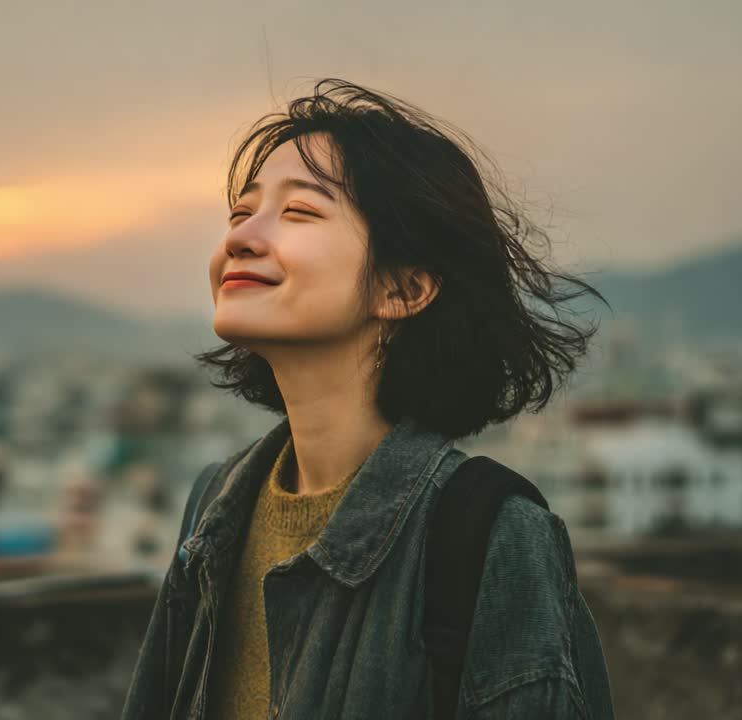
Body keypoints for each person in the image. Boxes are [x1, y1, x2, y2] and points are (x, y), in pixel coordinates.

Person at [119, 78, 615, 719]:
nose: (241, 238)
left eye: (298, 212)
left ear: (404, 288)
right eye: (241, 214)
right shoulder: (216, 506)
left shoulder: (493, 534)